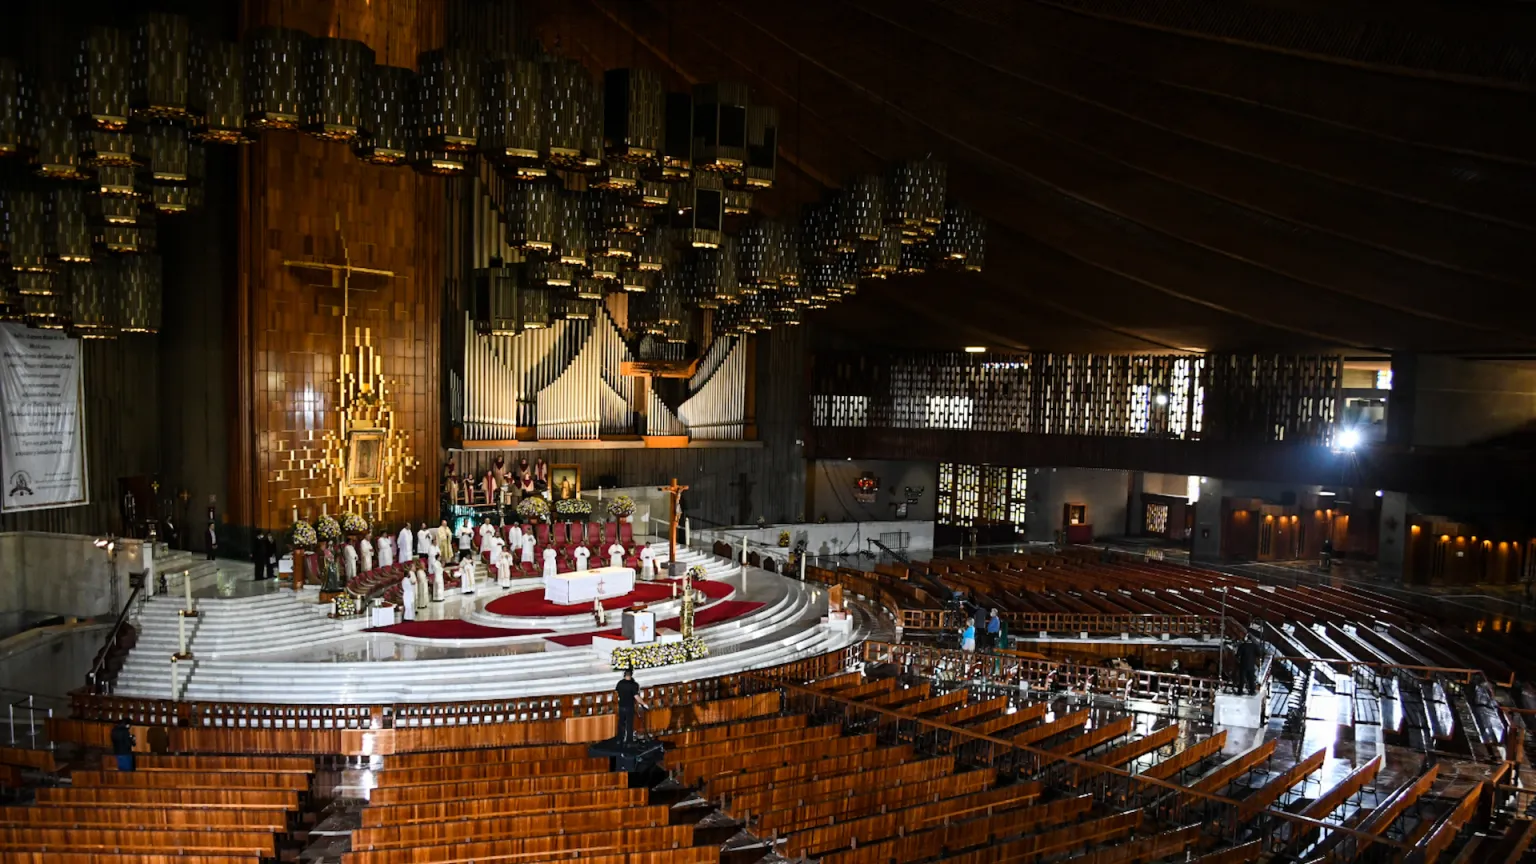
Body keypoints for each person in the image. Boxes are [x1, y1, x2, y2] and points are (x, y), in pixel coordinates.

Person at [616, 668, 646, 746]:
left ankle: (620, 739)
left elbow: (617, 693)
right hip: (629, 706)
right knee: (629, 724)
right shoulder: (633, 685)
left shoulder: (620, 683)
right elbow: (636, 696)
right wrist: (643, 703)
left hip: (621, 705)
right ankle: (629, 741)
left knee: (621, 723)